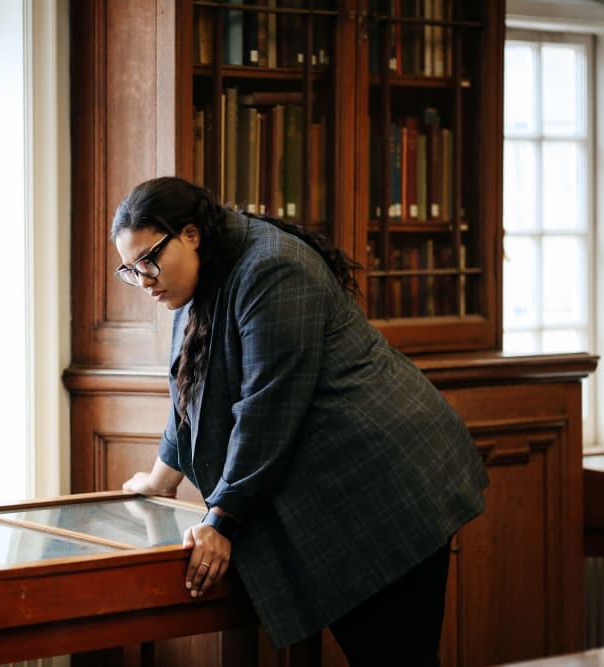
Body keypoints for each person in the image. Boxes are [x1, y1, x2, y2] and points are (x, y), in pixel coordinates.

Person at [112, 176, 488, 666]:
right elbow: (192, 389)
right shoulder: (195, 280)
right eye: (130, 269)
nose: (144, 280)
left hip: (390, 480)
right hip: (346, 481)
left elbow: (268, 407)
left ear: (190, 234)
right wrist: (161, 480)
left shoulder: (273, 268)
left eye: (148, 260)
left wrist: (220, 519)